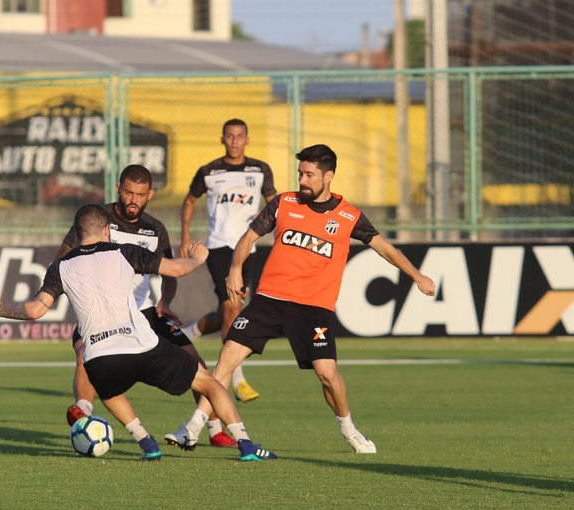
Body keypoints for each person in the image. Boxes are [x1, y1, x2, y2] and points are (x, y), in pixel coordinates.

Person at [166, 144, 436, 454]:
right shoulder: (284, 203)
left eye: (309, 175)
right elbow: (249, 237)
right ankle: (194, 427)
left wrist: (417, 276)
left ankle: (348, 428)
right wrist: (236, 268)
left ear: (329, 176)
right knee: (226, 358)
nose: (302, 180)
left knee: (327, 375)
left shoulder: (348, 216)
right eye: (300, 174)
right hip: (269, 300)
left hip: (312, 308)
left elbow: (386, 248)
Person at [0, 204, 277, 461]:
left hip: (99, 357)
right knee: (209, 383)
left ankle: (147, 443)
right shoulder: (124, 252)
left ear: (77, 233)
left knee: (109, 392)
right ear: (107, 230)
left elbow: (34, 310)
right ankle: (246, 445)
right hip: (141, 346)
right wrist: (198, 258)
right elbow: (178, 269)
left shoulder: (60, 267)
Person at [55, 164, 236, 448]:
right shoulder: (97, 220)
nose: (133, 200)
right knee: (83, 354)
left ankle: (213, 428)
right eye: (128, 192)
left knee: (196, 363)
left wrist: (166, 300)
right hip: (105, 314)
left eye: (140, 194)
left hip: (146, 311)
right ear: (118, 189)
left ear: (149, 194)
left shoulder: (154, 229)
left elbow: (169, 271)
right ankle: (83, 413)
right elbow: (65, 256)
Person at [179, 118, 277, 403]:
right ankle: (236, 378)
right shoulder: (209, 171)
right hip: (219, 246)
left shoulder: (260, 170)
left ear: (247, 139)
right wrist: (186, 236)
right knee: (232, 305)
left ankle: (185, 334)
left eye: (240, 136)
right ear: (222, 139)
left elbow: (274, 203)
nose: (234, 141)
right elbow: (188, 200)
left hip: (247, 247)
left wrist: (271, 223)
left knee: (230, 312)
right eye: (230, 136)